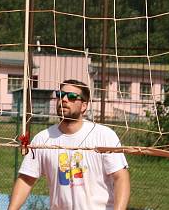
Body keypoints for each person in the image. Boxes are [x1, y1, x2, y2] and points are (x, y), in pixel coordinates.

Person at [7, 79, 131, 210]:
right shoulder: (42, 139)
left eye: (71, 96)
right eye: (60, 95)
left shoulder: (104, 135)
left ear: (84, 106)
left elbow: (121, 178)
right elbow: (26, 179)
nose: (64, 99)